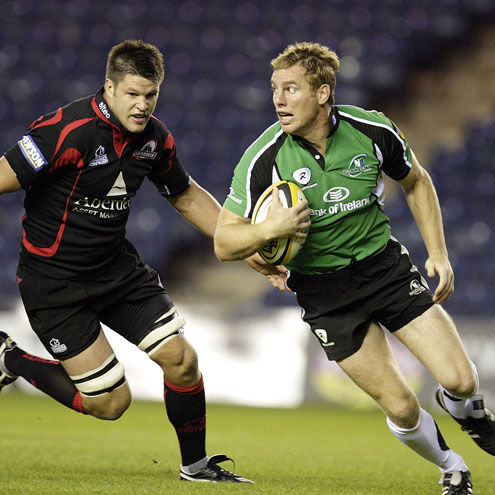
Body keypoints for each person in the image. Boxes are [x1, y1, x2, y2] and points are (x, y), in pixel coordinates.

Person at [214, 41, 495, 494]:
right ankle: (451, 466)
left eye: (291, 88)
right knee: (402, 408)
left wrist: (438, 252)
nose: (278, 100)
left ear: (323, 93)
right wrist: (270, 230)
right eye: (275, 89)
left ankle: (465, 410)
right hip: (325, 295)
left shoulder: (371, 129)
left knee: (462, 381)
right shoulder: (263, 156)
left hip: (383, 270)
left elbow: (416, 181)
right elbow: (224, 241)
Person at [0, 39, 254, 484]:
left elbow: (186, 194)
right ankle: (10, 359)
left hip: (117, 273)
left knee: (182, 360)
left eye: (150, 95)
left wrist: (245, 243)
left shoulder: (155, 139)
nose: (141, 106)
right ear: (109, 88)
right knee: (110, 404)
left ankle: (195, 467)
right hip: (54, 284)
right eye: (132, 94)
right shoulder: (66, 130)